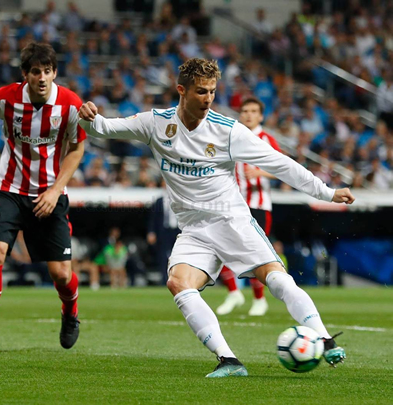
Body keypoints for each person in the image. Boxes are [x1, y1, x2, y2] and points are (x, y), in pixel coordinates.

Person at [78, 58, 353, 377]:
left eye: (212, 91)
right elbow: (105, 127)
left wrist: (326, 192)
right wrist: (88, 118)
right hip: (194, 230)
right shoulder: (155, 123)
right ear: (181, 90)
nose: (208, 98)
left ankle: (325, 338)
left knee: (276, 278)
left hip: (231, 221)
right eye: (200, 91)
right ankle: (229, 361)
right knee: (178, 283)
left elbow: (280, 164)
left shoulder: (228, 131)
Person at [0, 42, 85, 355]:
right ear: (26, 75)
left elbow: (77, 149)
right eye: (36, 71)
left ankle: (70, 311)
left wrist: (55, 188)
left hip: (50, 194)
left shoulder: (69, 104)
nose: (42, 77)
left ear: (55, 73)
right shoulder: (7, 98)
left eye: (48, 71)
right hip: (8, 190)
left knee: (61, 275)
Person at [216, 97, 280, 317]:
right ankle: (234, 293)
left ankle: (259, 299)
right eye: (245, 111)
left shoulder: (266, 139)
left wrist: (261, 172)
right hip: (233, 204)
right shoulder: (234, 137)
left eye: (254, 111)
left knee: (255, 254)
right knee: (220, 246)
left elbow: (284, 168)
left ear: (261, 116)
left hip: (259, 206)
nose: (249, 115)